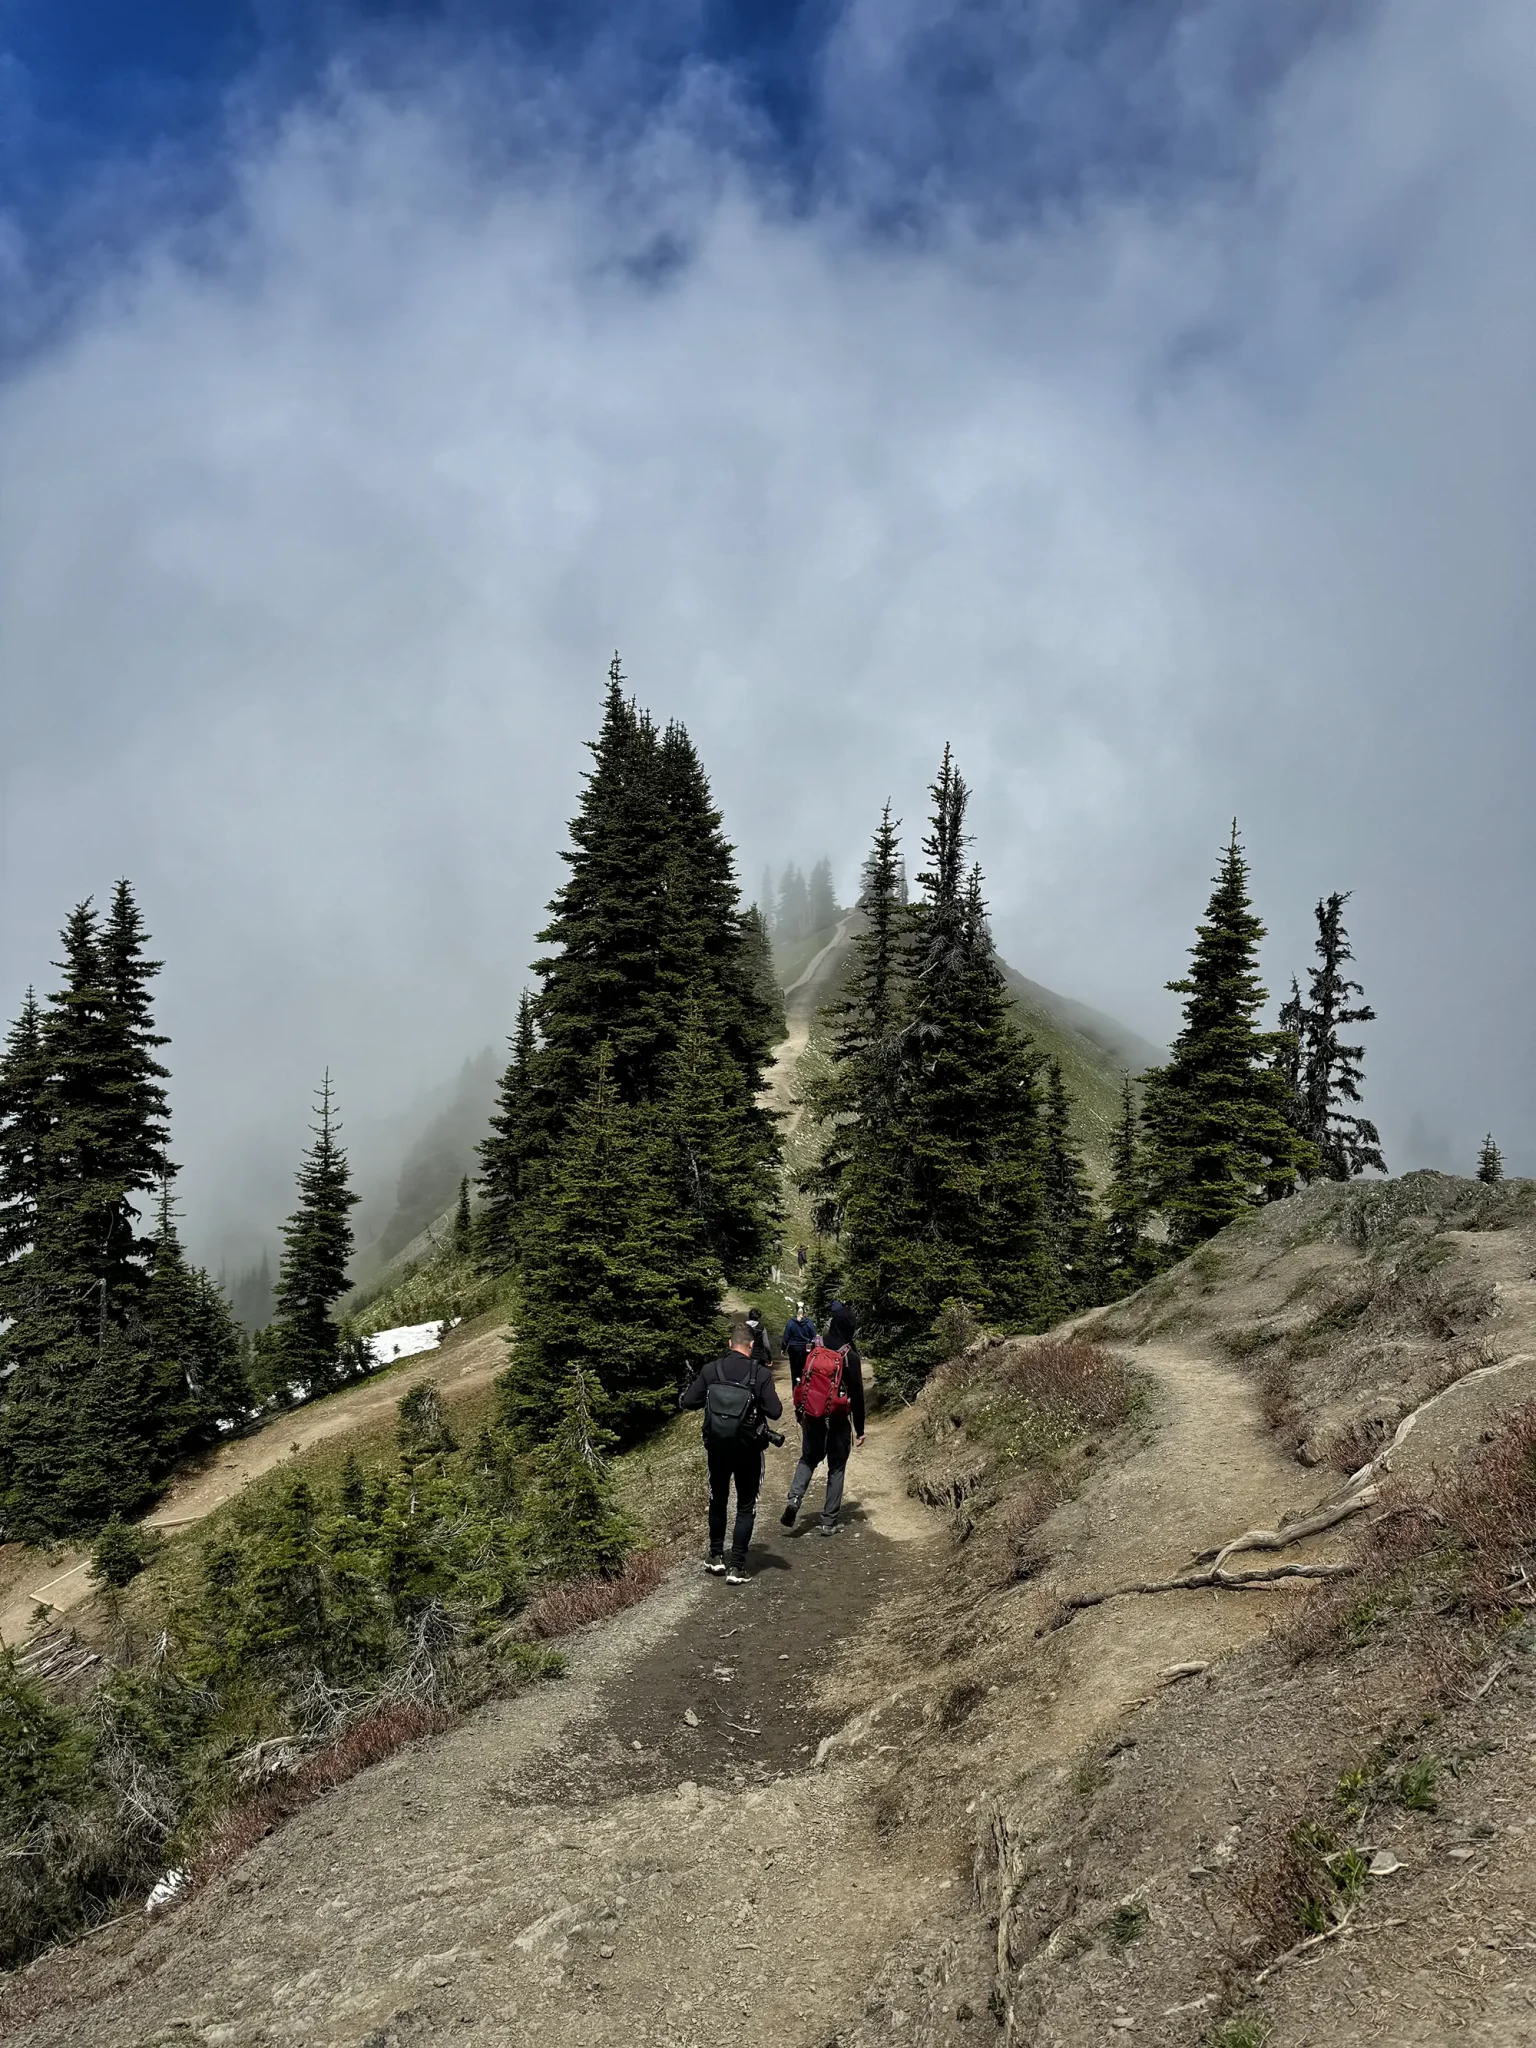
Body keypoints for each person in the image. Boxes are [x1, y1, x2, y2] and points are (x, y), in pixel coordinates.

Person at [680, 1321, 783, 1582]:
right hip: (748, 1449)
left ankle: (716, 1556)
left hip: (717, 1448)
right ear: (751, 1346)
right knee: (746, 1506)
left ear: (729, 1344)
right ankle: (737, 1566)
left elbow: (689, 1401)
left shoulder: (711, 1370)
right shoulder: (759, 1374)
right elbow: (776, 1411)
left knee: (718, 1500)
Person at [781, 1302, 865, 1536]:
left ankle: (795, 1499)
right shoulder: (850, 1356)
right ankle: (828, 1522)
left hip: (813, 1415)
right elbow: (857, 1396)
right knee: (836, 1466)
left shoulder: (815, 1346)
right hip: (837, 1419)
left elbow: (799, 1378)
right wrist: (860, 1429)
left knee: (808, 1458)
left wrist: (800, 1409)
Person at [781, 1303, 817, 1388]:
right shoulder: (809, 1323)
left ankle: (795, 1389)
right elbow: (814, 1336)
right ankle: (805, 1388)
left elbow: (786, 1337)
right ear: (804, 1310)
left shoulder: (791, 1323)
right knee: (806, 1369)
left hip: (794, 1348)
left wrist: (783, 1348)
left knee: (794, 1370)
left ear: (796, 1309)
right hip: (806, 1349)